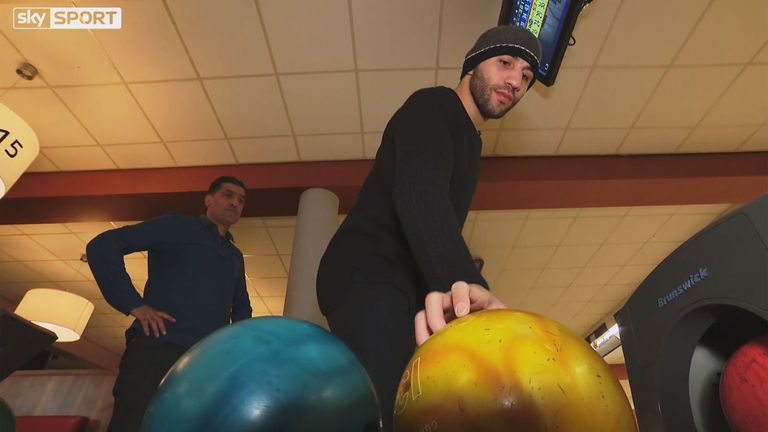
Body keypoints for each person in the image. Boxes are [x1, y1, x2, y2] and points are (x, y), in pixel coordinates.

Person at [316, 25, 541, 430]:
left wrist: (464, 283)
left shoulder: (472, 144)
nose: (515, 80)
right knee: (394, 409)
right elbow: (420, 196)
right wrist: (469, 290)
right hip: (367, 273)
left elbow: (437, 229)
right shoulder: (433, 106)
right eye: (505, 63)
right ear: (473, 66)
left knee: (422, 404)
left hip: (407, 290)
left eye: (526, 76)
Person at [87, 176, 252, 432]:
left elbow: (242, 308)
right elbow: (103, 246)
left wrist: (234, 349)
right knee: (134, 423)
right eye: (228, 195)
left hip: (204, 363)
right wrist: (134, 304)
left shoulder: (234, 257)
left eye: (241, 200)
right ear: (208, 199)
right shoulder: (176, 226)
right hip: (158, 347)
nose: (235, 203)